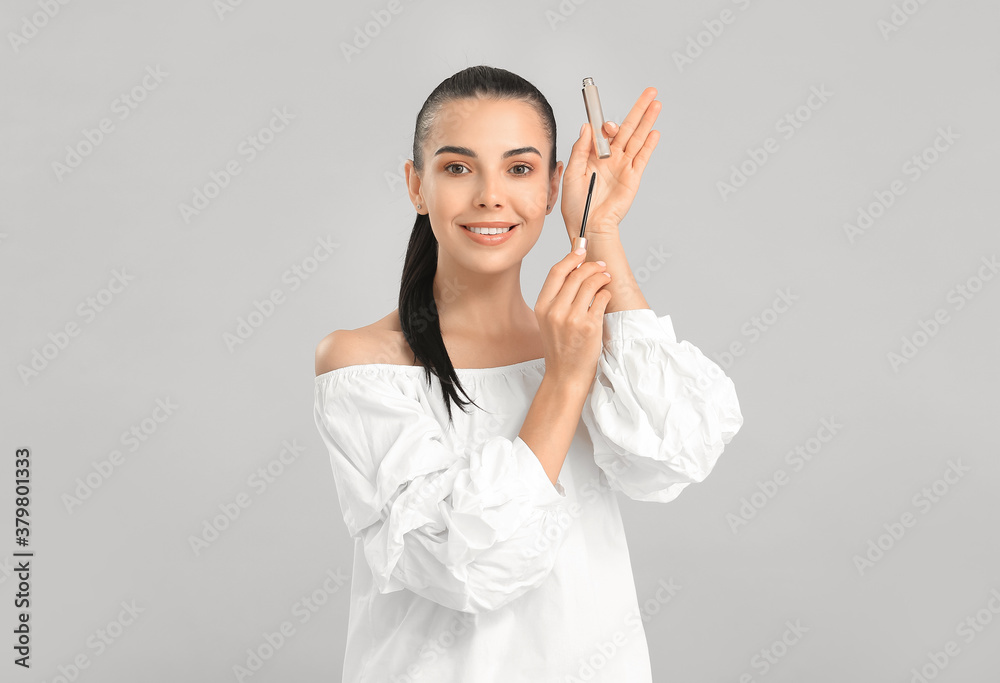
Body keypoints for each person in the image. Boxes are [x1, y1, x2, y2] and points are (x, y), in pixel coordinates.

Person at [313, 65, 744, 682]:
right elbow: (464, 562)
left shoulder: (579, 337)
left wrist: (599, 232)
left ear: (552, 185)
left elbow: (677, 452)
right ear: (416, 186)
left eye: (519, 169)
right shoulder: (364, 363)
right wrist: (564, 382)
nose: (491, 195)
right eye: (458, 168)